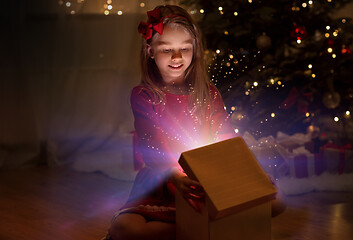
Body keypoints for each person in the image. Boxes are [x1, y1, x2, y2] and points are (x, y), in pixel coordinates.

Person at [105, 5, 285, 240]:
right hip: (164, 182)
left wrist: (250, 174)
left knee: (277, 201)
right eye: (167, 49)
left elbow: (227, 139)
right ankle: (211, 229)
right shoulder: (145, 95)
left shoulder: (208, 93)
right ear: (150, 51)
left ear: (195, 50)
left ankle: (203, 228)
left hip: (210, 179)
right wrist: (176, 176)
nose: (177, 57)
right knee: (125, 229)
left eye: (184, 49)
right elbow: (153, 146)